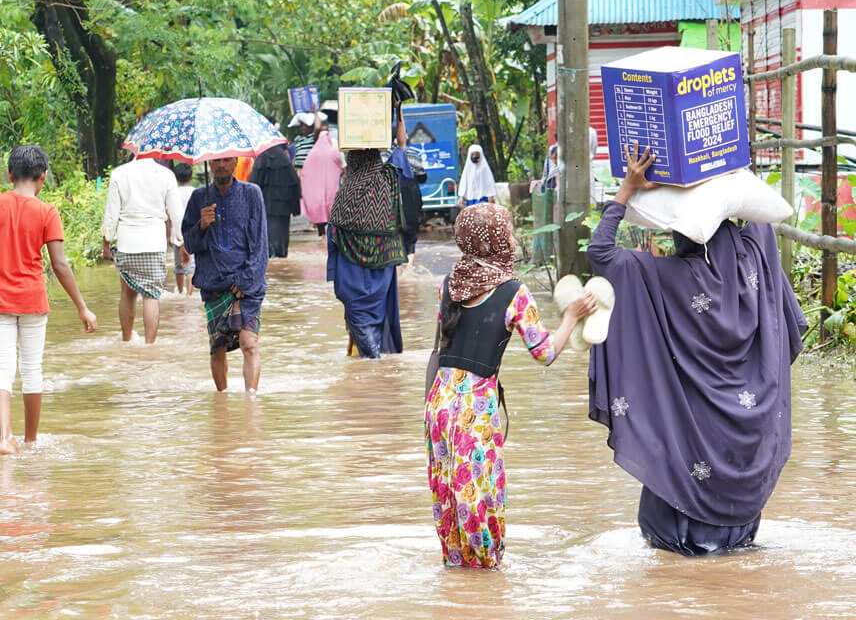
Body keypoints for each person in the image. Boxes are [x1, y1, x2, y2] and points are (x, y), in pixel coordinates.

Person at [587, 143, 807, 556]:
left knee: (673, 573)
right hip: (746, 479)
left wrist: (627, 190)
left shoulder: (667, 278)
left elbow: (600, 252)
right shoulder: (758, 261)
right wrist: (722, 158)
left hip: (683, 481)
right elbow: (754, 210)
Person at [425, 203, 596, 568]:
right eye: (509, 232)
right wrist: (570, 317)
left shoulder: (450, 284)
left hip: (439, 406)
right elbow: (545, 352)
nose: (514, 239)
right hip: (475, 411)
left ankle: (458, 585)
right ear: (495, 241)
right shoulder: (513, 292)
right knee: (479, 499)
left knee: (450, 501)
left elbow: (437, 351)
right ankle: (487, 585)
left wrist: (427, 413)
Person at [0, 145, 98, 455]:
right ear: (44, 177)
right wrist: (82, 307)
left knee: (2, 366)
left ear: (10, 174)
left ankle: (4, 438)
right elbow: (60, 265)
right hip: (33, 301)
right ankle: (31, 440)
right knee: (32, 369)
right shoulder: (47, 211)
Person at [181, 157, 268, 392]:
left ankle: (251, 400)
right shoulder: (199, 198)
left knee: (249, 343)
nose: (221, 165)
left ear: (235, 162)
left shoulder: (252, 194)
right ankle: (223, 400)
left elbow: (260, 245)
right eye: (216, 161)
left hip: (246, 284)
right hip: (213, 283)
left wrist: (247, 280)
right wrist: (201, 224)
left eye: (226, 160)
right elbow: (188, 244)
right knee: (217, 347)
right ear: (209, 163)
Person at [326, 147, 406, 358]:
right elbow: (401, 154)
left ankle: (372, 365)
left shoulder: (345, 195)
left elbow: (333, 235)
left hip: (351, 277)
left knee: (360, 322)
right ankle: (374, 370)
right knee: (376, 321)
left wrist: (333, 272)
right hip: (382, 275)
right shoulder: (388, 186)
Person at [101, 149, 184, 344]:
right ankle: (149, 345)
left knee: (127, 294)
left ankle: (126, 339)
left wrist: (107, 241)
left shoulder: (119, 174)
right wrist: (180, 241)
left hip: (127, 242)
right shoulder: (166, 175)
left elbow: (111, 215)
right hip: (154, 242)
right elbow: (176, 214)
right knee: (151, 295)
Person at [249, 142, 301, 258]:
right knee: (281, 244)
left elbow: (253, 187)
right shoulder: (284, 159)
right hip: (283, 210)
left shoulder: (262, 158)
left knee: (268, 248)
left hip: (266, 209)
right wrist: (295, 209)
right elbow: (295, 185)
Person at [388, 103, 422, 262]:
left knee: (398, 234)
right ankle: (409, 269)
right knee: (411, 235)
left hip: (396, 202)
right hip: (411, 199)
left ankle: (401, 269)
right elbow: (422, 175)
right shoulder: (413, 155)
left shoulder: (386, 158)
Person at [172, 164, 196, 295]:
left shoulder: (173, 192)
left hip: (176, 234)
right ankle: (190, 294)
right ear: (191, 177)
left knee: (178, 265)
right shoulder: (195, 191)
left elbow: (169, 214)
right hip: (192, 233)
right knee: (191, 266)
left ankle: (180, 292)